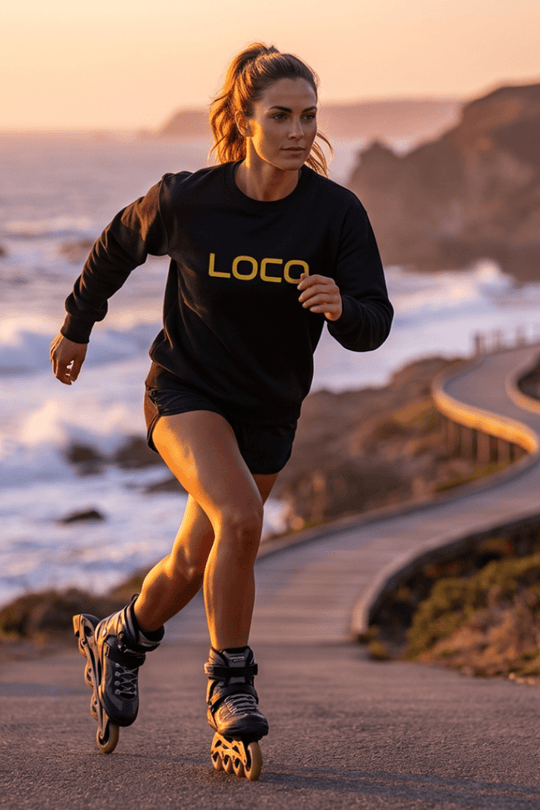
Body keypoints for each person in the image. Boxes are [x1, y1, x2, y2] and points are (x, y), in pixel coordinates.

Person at [51, 42, 393, 777]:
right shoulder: (190, 199)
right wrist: (79, 322)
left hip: (268, 408)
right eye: (281, 115)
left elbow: (374, 322)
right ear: (244, 119)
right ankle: (229, 686)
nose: (300, 131)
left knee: (189, 561)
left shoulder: (336, 215)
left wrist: (344, 309)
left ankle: (121, 637)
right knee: (241, 518)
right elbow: (116, 244)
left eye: (309, 115)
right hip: (185, 392)